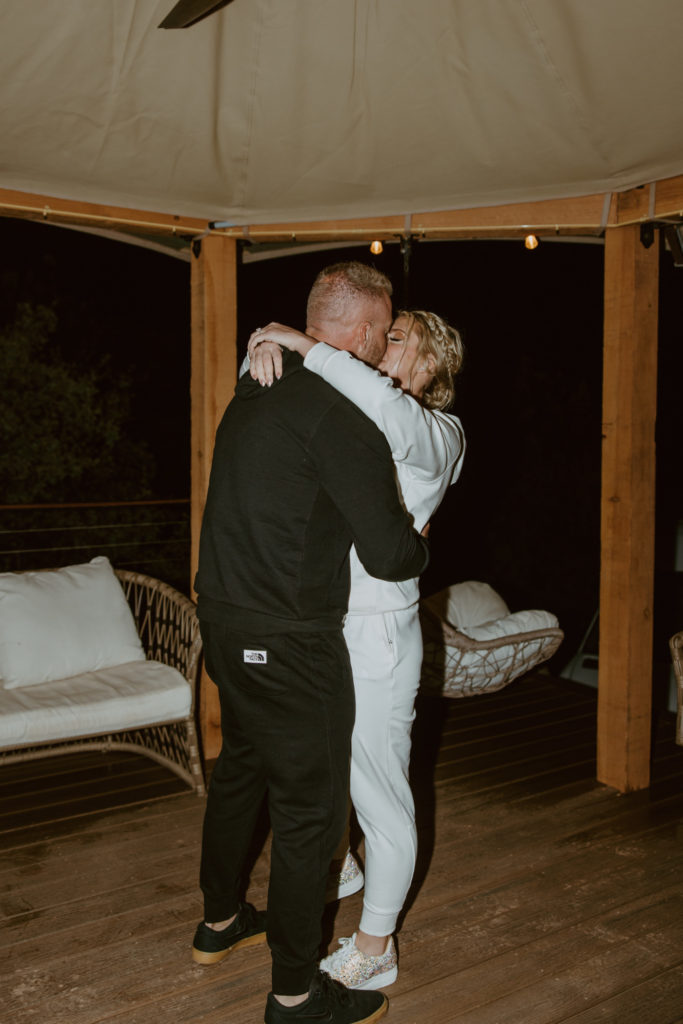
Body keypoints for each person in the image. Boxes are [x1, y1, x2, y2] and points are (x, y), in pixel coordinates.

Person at [192, 262, 430, 1024]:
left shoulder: (257, 384)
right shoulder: (342, 414)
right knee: (309, 818)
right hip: (290, 641)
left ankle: (220, 920)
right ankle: (295, 993)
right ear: (361, 334)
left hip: (223, 622)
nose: (383, 345)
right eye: (384, 331)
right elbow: (392, 555)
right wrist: (422, 544)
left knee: (240, 776)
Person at [248, 306, 465, 990]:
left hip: (378, 630)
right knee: (312, 756)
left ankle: (374, 952)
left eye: (396, 339)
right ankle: (341, 862)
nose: (380, 346)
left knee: (383, 796)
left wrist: (296, 339)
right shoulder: (365, 413)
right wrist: (262, 345)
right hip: (328, 620)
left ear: (429, 366)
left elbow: (365, 390)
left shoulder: (438, 432)